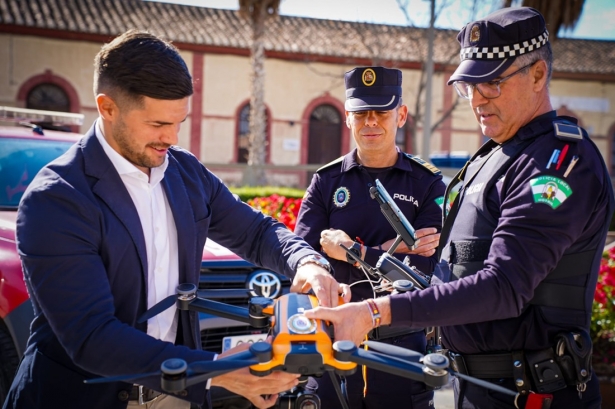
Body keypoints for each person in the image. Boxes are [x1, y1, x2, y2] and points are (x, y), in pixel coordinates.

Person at [3, 29, 350, 409]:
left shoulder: (184, 171)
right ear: (107, 107)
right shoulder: (56, 199)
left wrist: (307, 262)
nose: (171, 137)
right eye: (157, 125)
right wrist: (217, 370)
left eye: (179, 122)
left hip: (178, 395)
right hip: (81, 398)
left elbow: (255, 230)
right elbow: (92, 336)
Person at [304, 7, 615, 409]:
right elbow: (452, 270)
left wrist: (378, 311)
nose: (477, 99)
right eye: (469, 85)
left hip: (535, 391)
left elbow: (504, 286)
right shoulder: (494, 157)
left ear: (538, 75)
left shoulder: (556, 162)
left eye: (493, 83)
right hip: (475, 386)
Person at [294, 66, 446, 409]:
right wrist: (392, 250)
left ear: (401, 115)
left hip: (399, 340)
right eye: (361, 113)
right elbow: (303, 255)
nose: (371, 122)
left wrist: (351, 251)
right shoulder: (326, 182)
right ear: (348, 118)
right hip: (333, 340)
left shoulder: (427, 184)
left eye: (382, 112)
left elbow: (422, 272)